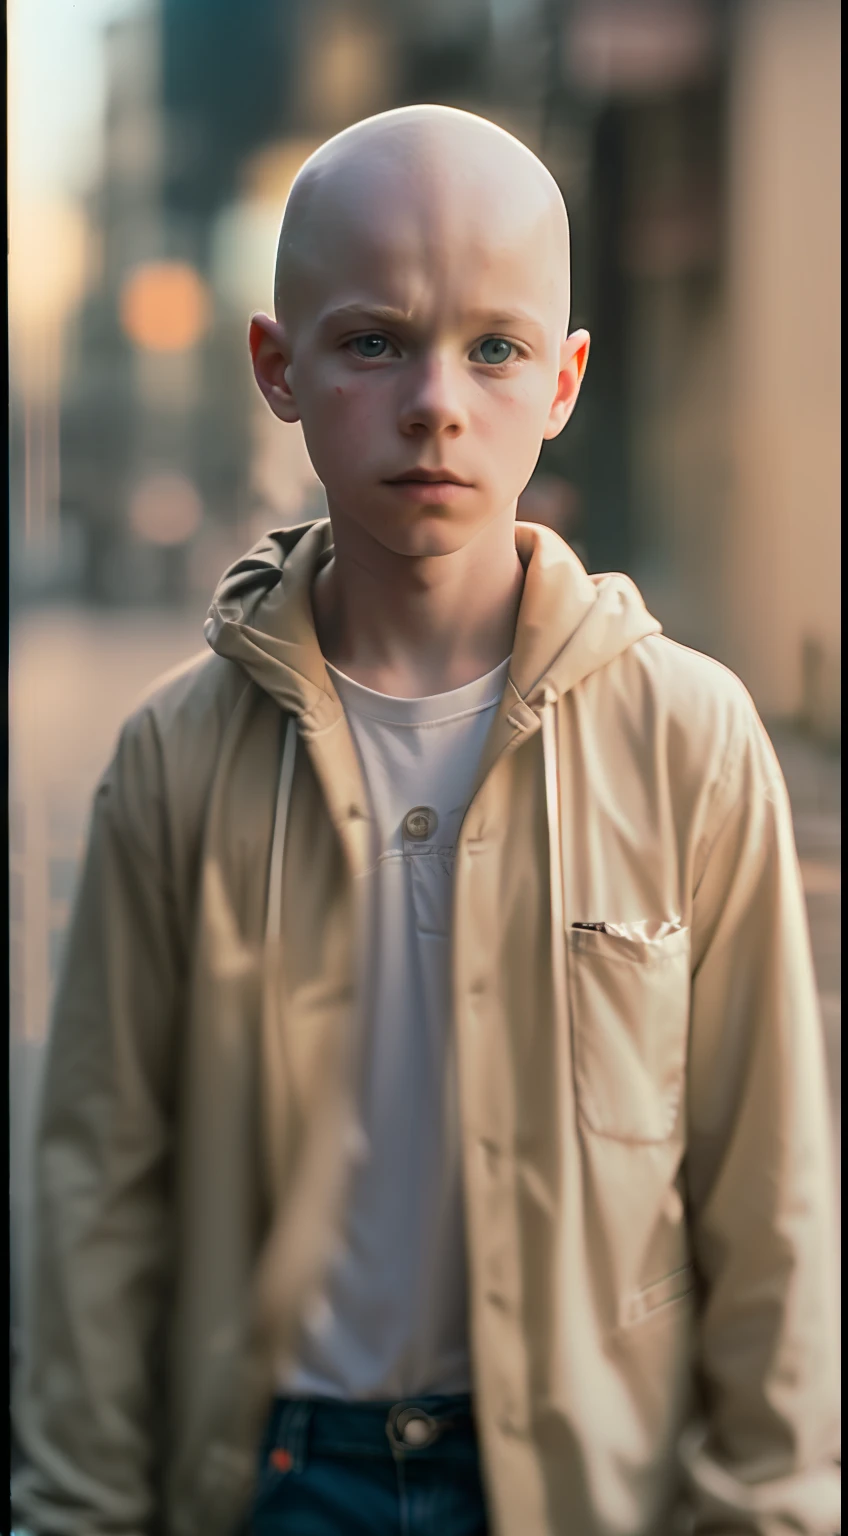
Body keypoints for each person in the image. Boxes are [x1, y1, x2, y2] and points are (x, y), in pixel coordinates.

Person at [12, 105, 840, 1536]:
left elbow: (767, 1196)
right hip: (269, 1483)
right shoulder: (175, 759)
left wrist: (768, 1507)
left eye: (496, 348)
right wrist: (75, 1508)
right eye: (375, 341)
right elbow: (102, 1190)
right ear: (279, 366)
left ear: (567, 379)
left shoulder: (689, 741)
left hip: (589, 1492)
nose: (437, 403)